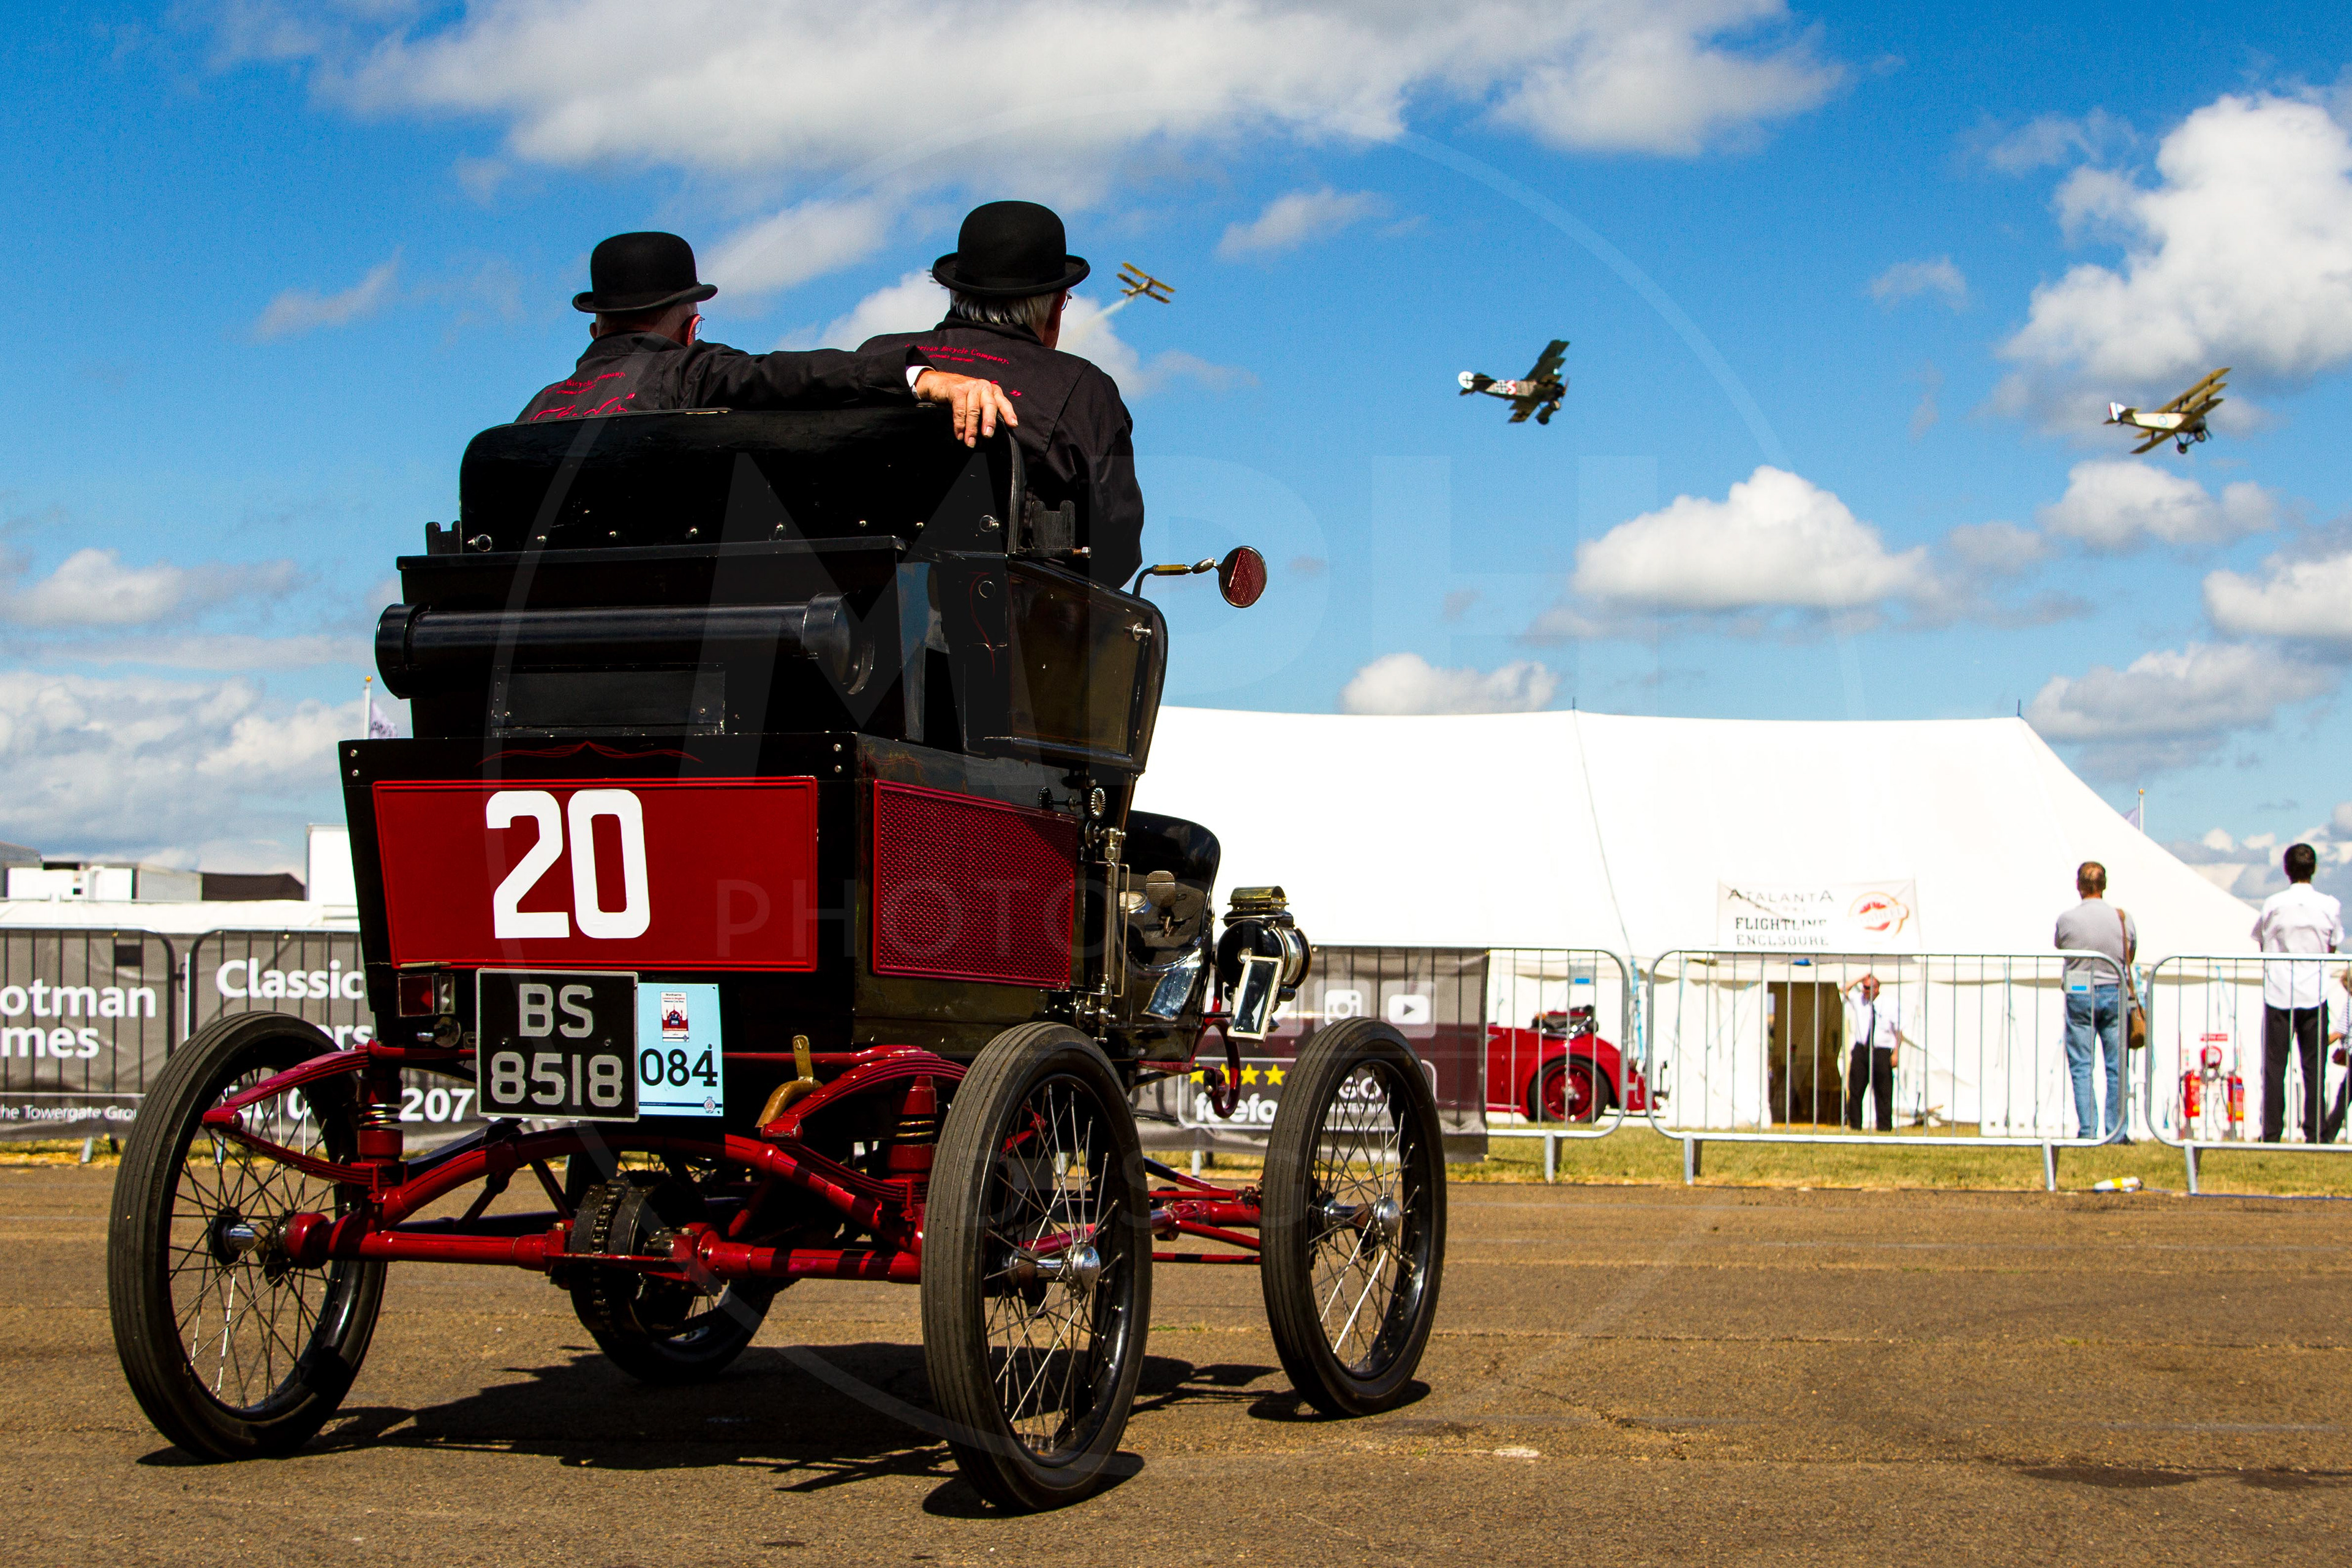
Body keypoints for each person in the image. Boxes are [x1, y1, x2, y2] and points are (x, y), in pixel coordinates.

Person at [858, 201, 1144, 586]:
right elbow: (1118, 552)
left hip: (860, 605)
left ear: (956, 292)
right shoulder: (1088, 392)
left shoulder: (878, 357)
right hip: (1004, 631)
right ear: (1057, 306)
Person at [517, 231, 1016, 444]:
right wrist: (922, 377)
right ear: (691, 331)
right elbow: (796, 376)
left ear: (595, 330)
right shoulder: (689, 373)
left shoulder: (535, 413)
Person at [2252, 842, 2342, 1144]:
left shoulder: (2273, 904)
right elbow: (2332, 945)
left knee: (2275, 1069)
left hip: (2278, 991)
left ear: (2286, 869)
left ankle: (2272, 1132)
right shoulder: (2329, 905)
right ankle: (2315, 1132)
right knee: (2314, 1069)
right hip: (2314, 992)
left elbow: (2261, 939)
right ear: (2314, 869)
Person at [2054, 861, 2134, 1141]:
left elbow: (2061, 946)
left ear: (2078, 885)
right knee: (2116, 1066)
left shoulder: (2067, 919)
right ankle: (2116, 1131)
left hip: (2079, 991)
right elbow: (2131, 953)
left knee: (2081, 1065)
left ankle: (2088, 1130)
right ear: (2105, 885)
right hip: (2113, 989)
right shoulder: (2122, 918)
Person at [1839, 973, 1910, 1132]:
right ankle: (1855, 1125)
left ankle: (1884, 1127)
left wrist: (1896, 1053)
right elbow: (1843, 989)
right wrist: (1861, 977)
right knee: (1856, 1088)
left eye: (1870, 988)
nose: (1867, 991)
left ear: (1877, 988)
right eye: (1865, 987)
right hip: (1862, 1049)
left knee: (1883, 1091)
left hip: (1882, 1051)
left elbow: (1899, 1031)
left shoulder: (1890, 1005)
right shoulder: (1858, 1001)